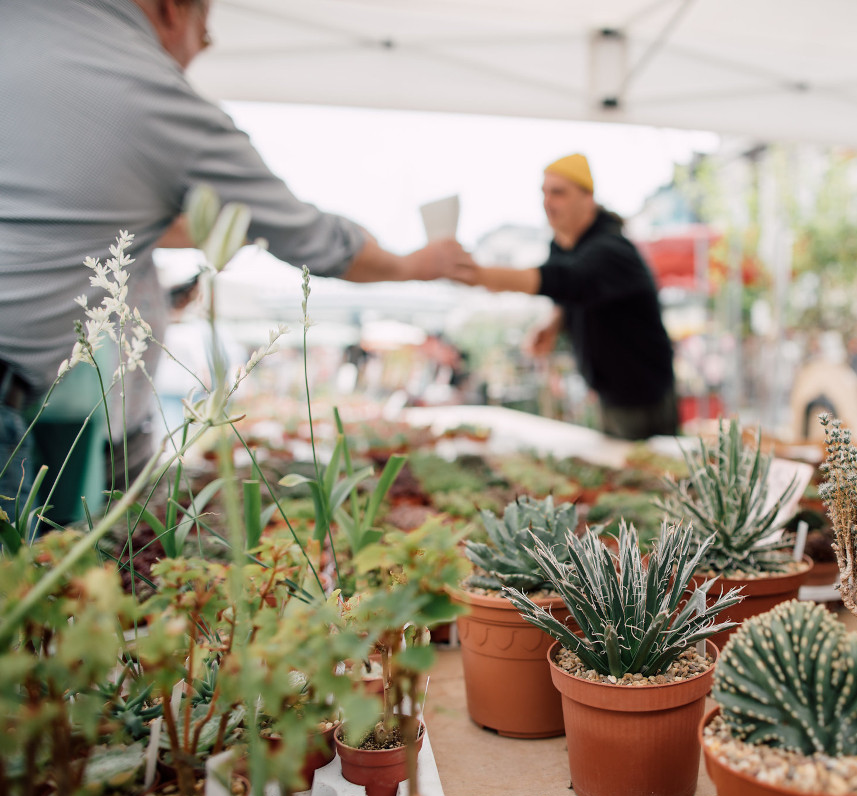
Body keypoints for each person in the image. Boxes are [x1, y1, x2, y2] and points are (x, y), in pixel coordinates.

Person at [0, 0, 464, 521]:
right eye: (206, 29)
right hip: (28, 411)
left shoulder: (22, 31)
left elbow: (77, 215)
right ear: (172, 9)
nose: (204, 48)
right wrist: (412, 264)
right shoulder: (153, 95)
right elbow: (309, 237)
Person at [453, 154, 678, 440]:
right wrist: (554, 322)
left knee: (645, 475)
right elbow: (574, 292)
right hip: (608, 390)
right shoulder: (563, 246)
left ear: (588, 198)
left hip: (642, 392)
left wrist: (479, 275)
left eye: (558, 192)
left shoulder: (610, 249)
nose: (547, 201)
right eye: (544, 193)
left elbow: (568, 279)